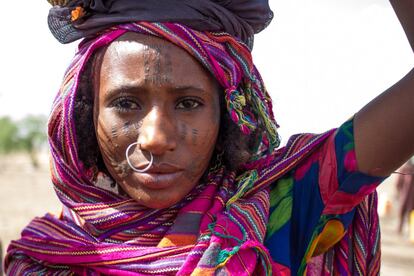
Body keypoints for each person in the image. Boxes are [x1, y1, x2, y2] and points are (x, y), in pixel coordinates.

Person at [4, 0, 414, 275]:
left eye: (188, 103)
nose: (155, 138)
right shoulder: (45, 255)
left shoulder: (285, 207)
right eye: (126, 103)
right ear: (85, 116)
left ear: (230, 116)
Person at [396, 160, 414, 234]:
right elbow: (399, 183)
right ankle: (401, 228)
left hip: (406, 194)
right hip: (406, 194)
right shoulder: (405, 168)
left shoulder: (405, 168)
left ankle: (410, 230)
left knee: (408, 211)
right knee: (404, 211)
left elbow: (398, 183)